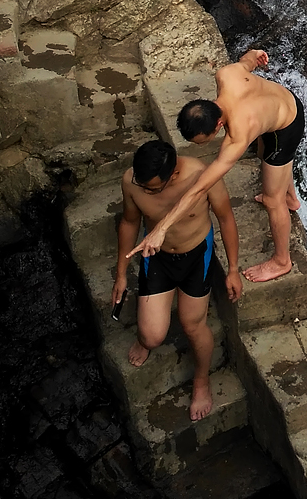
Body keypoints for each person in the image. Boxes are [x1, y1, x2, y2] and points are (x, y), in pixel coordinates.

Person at [129, 49, 304, 284]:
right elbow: (247, 60)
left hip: (287, 126)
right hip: (283, 101)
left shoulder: (238, 137)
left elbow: (200, 187)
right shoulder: (226, 75)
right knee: (266, 155)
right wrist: (257, 54)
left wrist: (161, 228)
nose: (204, 146)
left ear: (219, 124)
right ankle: (291, 196)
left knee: (274, 199)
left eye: (206, 140)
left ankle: (282, 261)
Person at [113, 140, 242, 421]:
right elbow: (130, 222)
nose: (146, 191)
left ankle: (201, 381)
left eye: (152, 188)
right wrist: (121, 273)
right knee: (151, 336)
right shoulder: (130, 181)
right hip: (157, 257)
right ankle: (144, 339)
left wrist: (233, 269)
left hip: (196, 256)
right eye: (142, 185)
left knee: (191, 324)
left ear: (173, 175)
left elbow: (226, 217)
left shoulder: (200, 175)